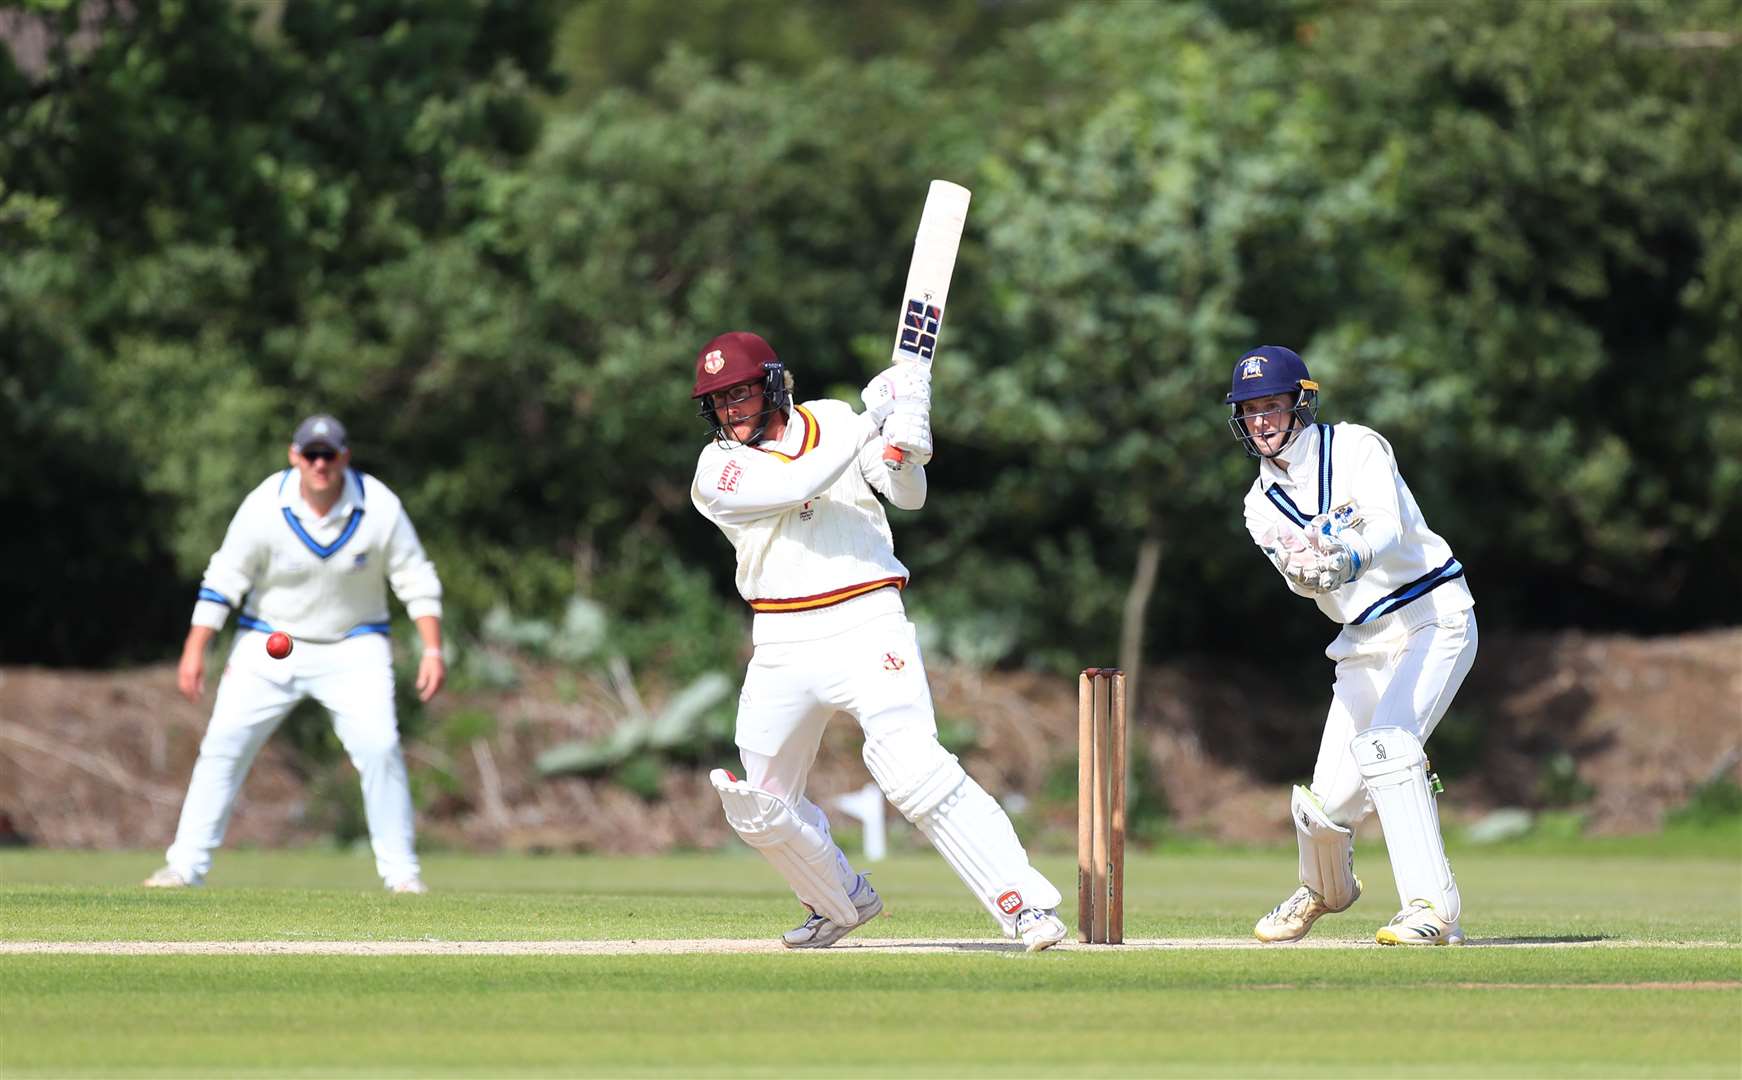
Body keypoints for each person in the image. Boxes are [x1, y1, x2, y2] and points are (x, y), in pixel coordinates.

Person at [689, 331, 1068, 951]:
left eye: (741, 393)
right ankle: (839, 900)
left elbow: (906, 496)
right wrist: (876, 415)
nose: (732, 410)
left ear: (773, 384)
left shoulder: (833, 420)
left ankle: (1025, 907)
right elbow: (795, 486)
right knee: (759, 804)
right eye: (720, 401)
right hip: (781, 639)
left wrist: (906, 448)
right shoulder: (717, 468)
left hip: (867, 620)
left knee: (912, 769)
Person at [1225, 346, 1476, 946]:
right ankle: (1326, 891)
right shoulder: (1259, 504)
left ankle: (1432, 911)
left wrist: (1347, 556)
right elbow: (1293, 569)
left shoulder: (1358, 446)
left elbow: (1385, 524)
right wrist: (1304, 574)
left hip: (1431, 618)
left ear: (1299, 404)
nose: (1261, 420)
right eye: (1250, 410)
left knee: (1389, 748)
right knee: (1324, 808)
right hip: (1361, 641)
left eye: (1272, 406)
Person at [144, 414, 445, 894]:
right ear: (294, 456)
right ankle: (184, 867)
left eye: (329, 455)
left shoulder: (379, 507)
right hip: (270, 644)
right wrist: (194, 648)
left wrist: (432, 648)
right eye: (311, 454)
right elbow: (226, 577)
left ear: (345, 457)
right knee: (223, 743)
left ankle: (403, 874)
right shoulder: (266, 503)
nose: (320, 464)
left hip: (355, 646)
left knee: (380, 747)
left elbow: (415, 577)